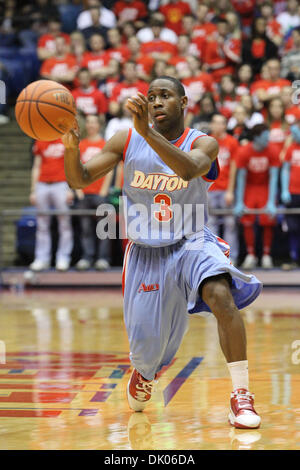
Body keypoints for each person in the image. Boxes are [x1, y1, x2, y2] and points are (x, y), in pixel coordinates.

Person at [62, 76, 262, 429]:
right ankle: (145, 371)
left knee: (220, 294)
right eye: (151, 96)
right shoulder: (126, 138)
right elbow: (79, 179)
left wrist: (147, 132)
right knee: (148, 350)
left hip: (192, 240)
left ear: (184, 103)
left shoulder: (204, 142)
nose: (156, 102)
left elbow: (187, 170)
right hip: (145, 251)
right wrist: (70, 147)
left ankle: (241, 395)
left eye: (165, 96)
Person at [234, 124, 281, 270]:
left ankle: (266, 255)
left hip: (265, 186)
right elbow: (241, 178)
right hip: (250, 187)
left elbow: (274, 177)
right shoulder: (244, 151)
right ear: (256, 138)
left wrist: (271, 202)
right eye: (265, 137)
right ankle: (251, 254)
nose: (268, 139)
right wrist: (239, 201)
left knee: (268, 218)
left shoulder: (273, 150)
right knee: (247, 218)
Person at [29, 138, 74, 272]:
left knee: (64, 223)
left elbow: (70, 165)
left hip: (61, 184)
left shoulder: (65, 140)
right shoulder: (40, 140)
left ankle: (63, 257)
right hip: (42, 184)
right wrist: (33, 190)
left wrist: (70, 188)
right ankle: (42, 258)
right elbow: (36, 166)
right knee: (42, 223)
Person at [75, 115, 113, 271]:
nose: (90, 125)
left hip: (100, 193)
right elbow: (75, 168)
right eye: (88, 122)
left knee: (103, 228)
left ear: (99, 125)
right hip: (84, 193)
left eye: (93, 122)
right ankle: (87, 257)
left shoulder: (105, 145)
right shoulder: (80, 145)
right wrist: (78, 189)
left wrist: (104, 190)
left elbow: (110, 168)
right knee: (85, 229)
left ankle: (103, 258)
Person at [207, 113, 240, 265]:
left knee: (230, 223)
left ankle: (231, 256)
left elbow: (234, 167)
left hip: (225, 188)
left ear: (225, 125)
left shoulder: (232, 142)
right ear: (212, 125)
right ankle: (213, 256)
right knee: (210, 223)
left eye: (221, 123)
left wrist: (230, 190)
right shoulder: (206, 142)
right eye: (215, 123)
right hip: (210, 189)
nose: (218, 126)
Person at [281, 120, 300, 270]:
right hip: (293, 193)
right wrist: (284, 190)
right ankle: (294, 258)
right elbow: (285, 169)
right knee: (293, 227)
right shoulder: (290, 148)